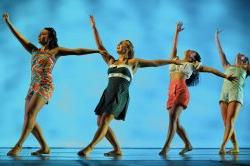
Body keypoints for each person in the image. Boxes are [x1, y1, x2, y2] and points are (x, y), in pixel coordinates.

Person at [77, 16, 182, 157]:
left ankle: (90, 148)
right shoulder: (111, 61)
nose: (119, 45)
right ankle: (117, 150)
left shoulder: (134, 62)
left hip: (120, 94)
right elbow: (100, 46)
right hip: (108, 93)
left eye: (123, 44)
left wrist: (172, 61)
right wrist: (94, 27)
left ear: (128, 49)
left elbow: (155, 62)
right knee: (100, 122)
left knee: (105, 120)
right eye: (119, 43)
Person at [3, 12, 99, 156]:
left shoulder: (56, 51)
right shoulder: (33, 50)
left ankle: (19, 146)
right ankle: (45, 147)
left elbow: (77, 51)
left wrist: (97, 50)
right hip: (32, 87)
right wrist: (8, 22)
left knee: (30, 114)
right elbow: (19, 37)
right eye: (39, 34)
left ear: (51, 37)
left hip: (45, 85)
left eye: (43, 34)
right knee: (29, 118)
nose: (40, 36)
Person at [159, 22, 237, 156]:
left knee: (172, 117)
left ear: (193, 57)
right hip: (171, 91)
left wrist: (225, 76)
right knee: (175, 122)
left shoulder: (193, 64)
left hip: (182, 91)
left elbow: (211, 70)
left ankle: (166, 147)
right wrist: (176, 33)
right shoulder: (175, 59)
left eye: (193, 51)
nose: (190, 49)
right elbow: (174, 47)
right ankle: (188, 145)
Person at [215, 29, 249, 154]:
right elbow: (220, 52)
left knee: (230, 121)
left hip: (236, 94)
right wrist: (217, 37)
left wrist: (247, 62)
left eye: (242, 55)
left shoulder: (246, 68)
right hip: (224, 95)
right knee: (226, 123)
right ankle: (235, 147)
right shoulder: (227, 66)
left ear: (245, 60)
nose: (239, 54)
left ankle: (222, 147)